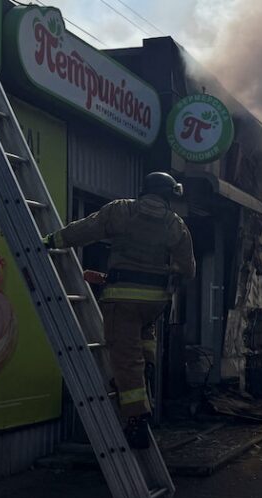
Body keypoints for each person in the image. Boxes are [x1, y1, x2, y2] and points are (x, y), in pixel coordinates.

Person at [44, 172, 195, 448]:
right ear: (167, 195)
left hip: (122, 299)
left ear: (144, 189)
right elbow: (188, 269)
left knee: (126, 358)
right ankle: (146, 370)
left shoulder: (121, 211)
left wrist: (53, 240)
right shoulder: (176, 224)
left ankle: (136, 420)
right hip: (155, 303)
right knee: (144, 337)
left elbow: (85, 230)